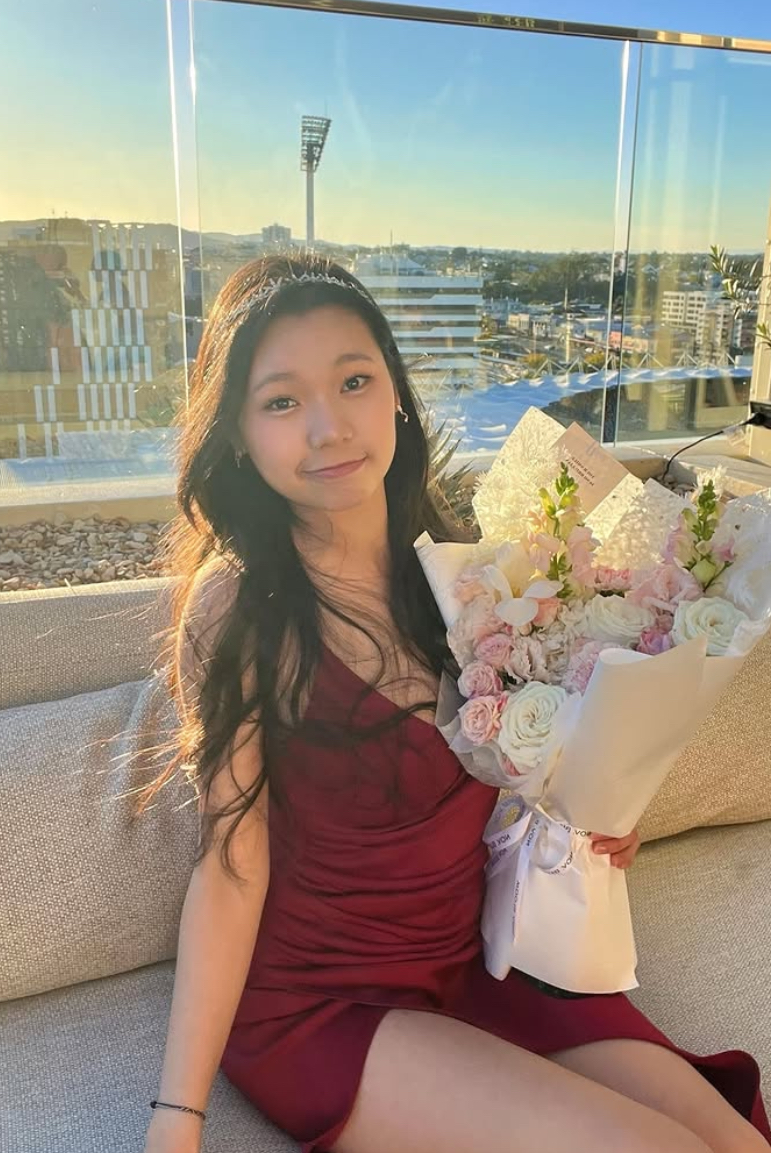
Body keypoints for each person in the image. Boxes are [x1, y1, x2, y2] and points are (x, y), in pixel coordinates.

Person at [141, 252, 770, 1153]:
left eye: (353, 381)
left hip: (481, 959)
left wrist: (587, 814)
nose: (327, 427)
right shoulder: (241, 606)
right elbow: (230, 867)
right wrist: (177, 1118)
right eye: (280, 401)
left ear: (395, 395)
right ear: (237, 433)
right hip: (329, 1001)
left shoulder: (464, 569)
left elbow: (513, 769)